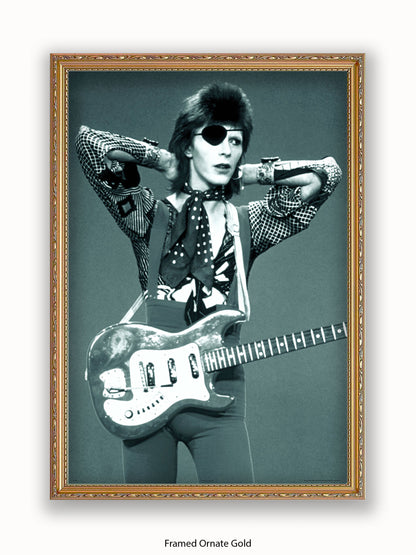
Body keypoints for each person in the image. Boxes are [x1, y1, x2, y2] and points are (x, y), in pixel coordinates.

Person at [76, 82, 342, 484]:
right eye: (214, 136)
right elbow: (89, 143)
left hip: (222, 398)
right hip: (146, 396)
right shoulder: (149, 217)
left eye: (236, 141)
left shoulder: (251, 223)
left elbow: (326, 174)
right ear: (189, 144)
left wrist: (250, 173)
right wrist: (165, 160)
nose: (226, 149)